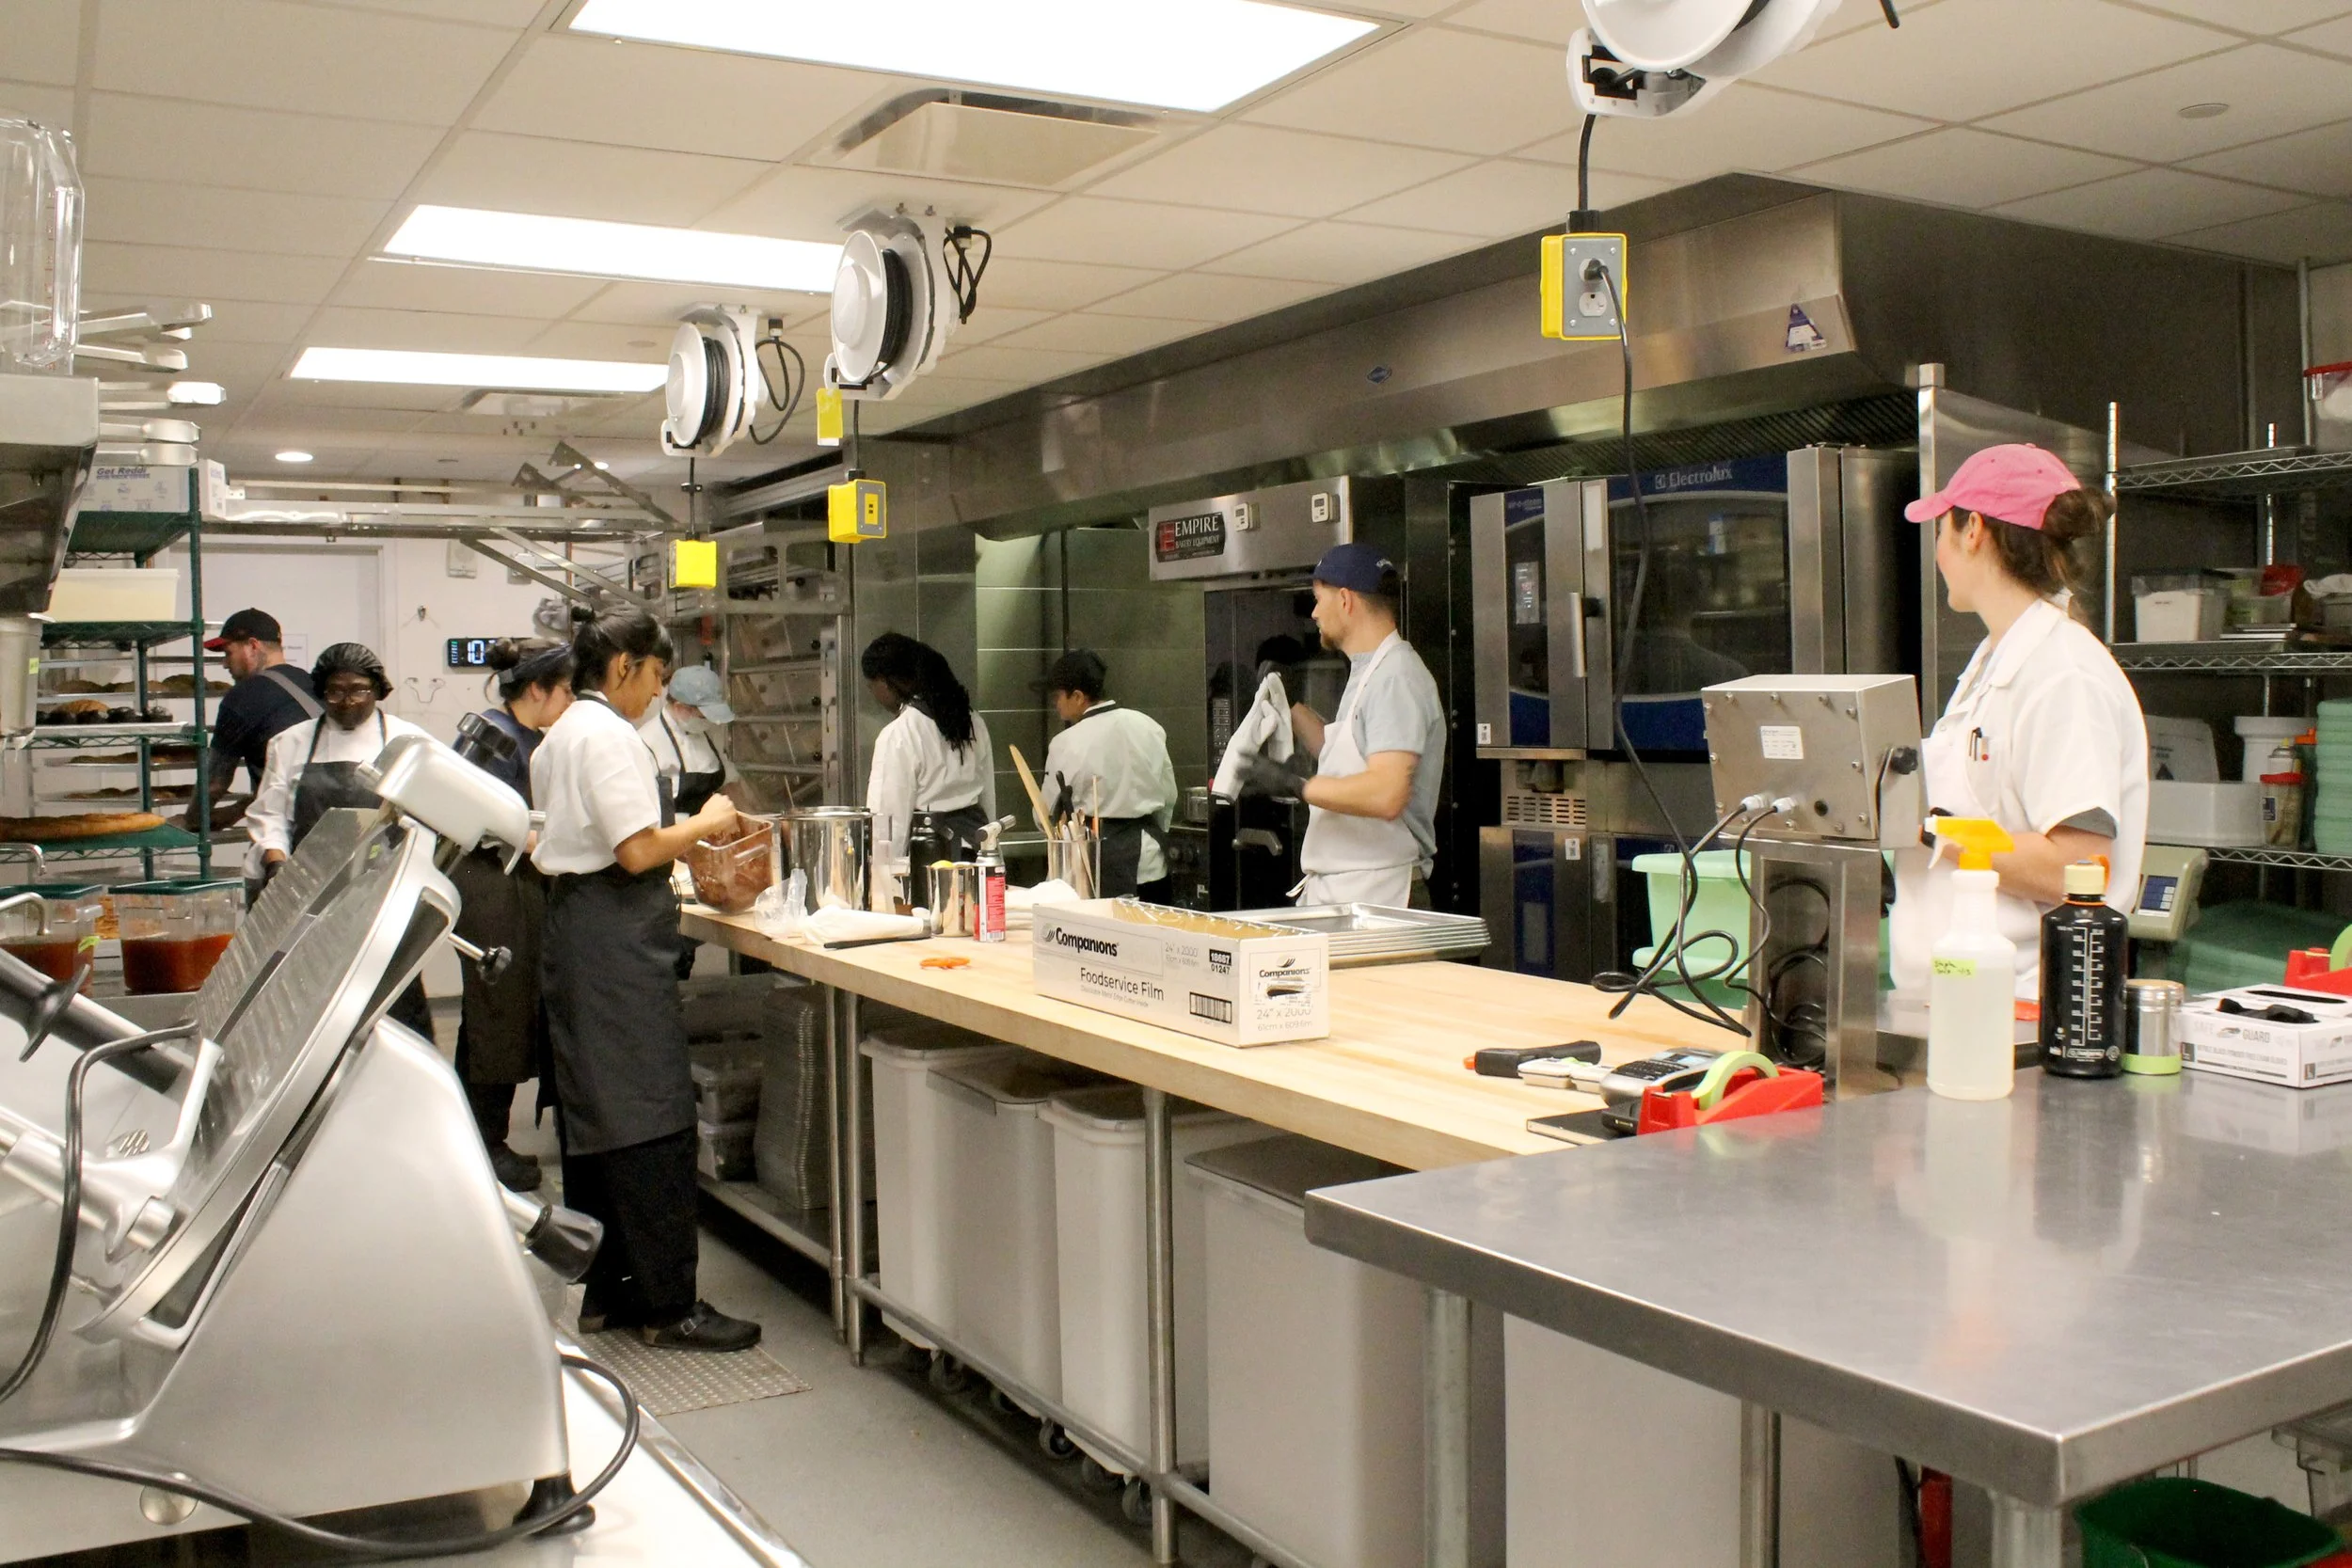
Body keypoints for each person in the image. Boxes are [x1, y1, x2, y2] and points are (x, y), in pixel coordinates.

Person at [532, 603, 759, 1353]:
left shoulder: (561, 732)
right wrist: (708, 820)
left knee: (596, 1117)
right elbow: (635, 850)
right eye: (657, 677)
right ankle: (671, 1305)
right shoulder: (607, 736)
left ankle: (609, 1292)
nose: (658, 694)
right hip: (614, 937)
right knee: (652, 1114)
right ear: (625, 665)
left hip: (577, 928)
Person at [1889, 443, 2149, 999]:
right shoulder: (1997, 661)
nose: (1937, 551)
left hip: (2023, 1009)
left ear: (1974, 529)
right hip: (1955, 1000)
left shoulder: (2064, 673)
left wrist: (1926, 826)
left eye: (1941, 530)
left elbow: (2078, 866)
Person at [1237, 544, 1444, 908]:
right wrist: (1290, 702)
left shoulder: (1396, 677)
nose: (1314, 612)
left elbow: (1386, 793)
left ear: (1346, 600)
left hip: (1381, 897)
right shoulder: (1369, 671)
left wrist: (1298, 785)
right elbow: (1346, 754)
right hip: (1353, 892)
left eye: (1319, 599)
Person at [246, 641, 435, 1036]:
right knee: (311, 1008)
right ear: (322, 692)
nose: (347, 702)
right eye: (335, 691)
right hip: (309, 895)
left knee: (391, 1005)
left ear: (378, 690)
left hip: (381, 895)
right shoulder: (291, 742)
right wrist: (277, 864)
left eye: (358, 690)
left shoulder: (410, 742)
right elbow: (271, 814)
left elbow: (426, 819)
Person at [448, 636, 573, 1195]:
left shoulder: (518, 734)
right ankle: (485, 1146)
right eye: (567, 690)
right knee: (498, 1014)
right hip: (492, 886)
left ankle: (471, 1135)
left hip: (502, 881)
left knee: (491, 1013)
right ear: (538, 689)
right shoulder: (501, 741)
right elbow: (499, 826)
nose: (570, 701)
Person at [641, 662, 751, 978]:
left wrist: (760, 826)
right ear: (680, 707)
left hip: (709, 858)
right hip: (671, 860)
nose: (706, 722)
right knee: (672, 954)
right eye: (702, 715)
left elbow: (731, 785)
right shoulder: (646, 744)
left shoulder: (705, 737)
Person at [1041, 649, 1179, 899]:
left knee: (1106, 937)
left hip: (1095, 863)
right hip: (1150, 862)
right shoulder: (1149, 726)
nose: (1056, 704)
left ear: (1078, 696)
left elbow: (1046, 815)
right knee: (1151, 935)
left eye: (1058, 696)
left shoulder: (1065, 743)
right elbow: (1168, 797)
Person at [862, 632, 997, 881]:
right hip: (978, 851)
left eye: (872, 686)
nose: (874, 695)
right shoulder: (972, 721)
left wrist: (882, 879)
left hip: (932, 858)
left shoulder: (899, 734)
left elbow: (890, 822)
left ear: (887, 682)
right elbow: (988, 798)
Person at [190, 608, 318, 835]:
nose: (225, 664)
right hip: (332, 823)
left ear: (253, 646)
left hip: (283, 833)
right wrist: (239, 809)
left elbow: (215, 782)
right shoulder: (311, 682)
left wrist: (193, 820)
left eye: (228, 653)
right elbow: (296, 779)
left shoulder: (241, 697)